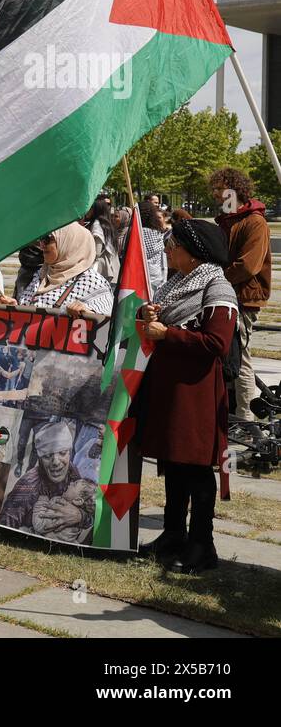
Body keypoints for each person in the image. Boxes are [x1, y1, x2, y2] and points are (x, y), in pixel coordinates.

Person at [135, 219, 238, 573]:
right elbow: (157, 321)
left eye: (173, 244)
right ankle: (174, 533)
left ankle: (201, 544)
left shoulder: (217, 287)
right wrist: (146, 313)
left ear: (193, 254)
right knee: (174, 463)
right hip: (171, 389)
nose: (168, 249)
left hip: (197, 394)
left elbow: (217, 343)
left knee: (195, 468)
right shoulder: (177, 284)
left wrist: (169, 334)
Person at [210, 167, 271, 421]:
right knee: (227, 357)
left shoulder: (254, 221)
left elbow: (248, 265)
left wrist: (215, 278)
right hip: (225, 295)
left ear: (233, 190)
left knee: (241, 358)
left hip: (243, 298)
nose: (215, 195)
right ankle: (230, 413)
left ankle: (244, 418)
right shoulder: (226, 219)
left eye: (219, 189)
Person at [1, 223, 113, 317]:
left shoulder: (93, 282)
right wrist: (15, 307)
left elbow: (105, 324)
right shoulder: (41, 275)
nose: (41, 245)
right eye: (41, 239)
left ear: (69, 242)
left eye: (47, 239)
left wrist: (87, 313)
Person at [84, 197, 119, 282]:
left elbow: (97, 251)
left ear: (96, 210)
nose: (87, 210)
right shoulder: (107, 224)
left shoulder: (97, 225)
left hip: (101, 270)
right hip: (112, 266)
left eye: (90, 208)